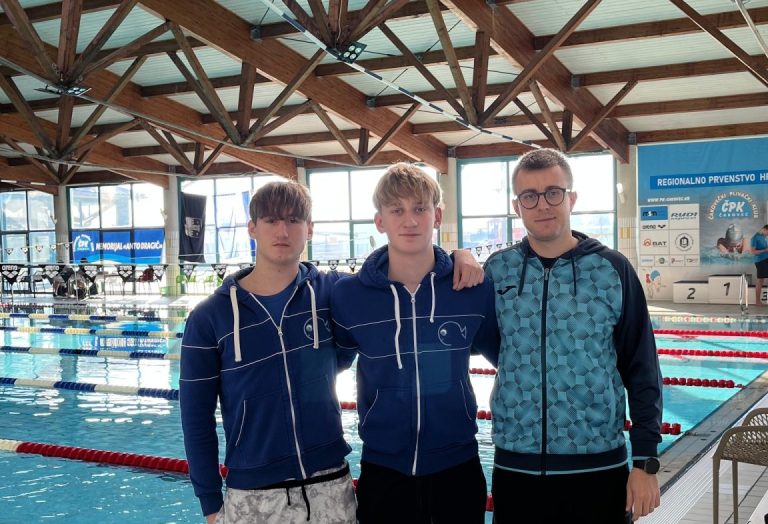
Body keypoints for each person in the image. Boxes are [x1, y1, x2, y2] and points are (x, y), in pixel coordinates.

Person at [180, 180, 483, 524]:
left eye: (294, 220)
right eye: (271, 220)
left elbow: (399, 270)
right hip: (252, 492)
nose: (283, 231)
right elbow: (195, 417)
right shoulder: (210, 318)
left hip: (329, 484)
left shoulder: (333, 293)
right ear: (252, 228)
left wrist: (459, 256)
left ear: (309, 229)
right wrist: (210, 502)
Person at [483, 149, 662, 523]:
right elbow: (492, 345)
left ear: (572, 198)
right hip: (516, 467)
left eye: (553, 192)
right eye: (529, 196)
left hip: (598, 467)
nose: (542, 205)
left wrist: (645, 460)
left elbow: (642, 365)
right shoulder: (498, 270)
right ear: (517, 206)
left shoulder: (611, 269)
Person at [331, 163, 500, 524]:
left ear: (437, 216)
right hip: (383, 471)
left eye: (420, 208)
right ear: (380, 221)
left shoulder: (471, 289)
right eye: (397, 210)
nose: (410, 221)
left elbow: (508, 359)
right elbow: (329, 364)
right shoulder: (349, 296)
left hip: (458, 469)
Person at [750, 224, 768, 306]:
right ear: (764, 229)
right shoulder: (755, 238)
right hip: (760, 261)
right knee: (760, 280)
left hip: (766, 259)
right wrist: (765, 250)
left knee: (761, 280)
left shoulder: (764, 237)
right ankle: (757, 301)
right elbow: (753, 252)